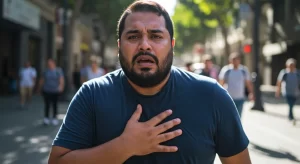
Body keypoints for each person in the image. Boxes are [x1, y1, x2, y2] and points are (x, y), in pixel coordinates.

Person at [48, 1, 251, 164]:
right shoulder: (91, 94)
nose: (144, 45)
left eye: (156, 36)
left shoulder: (212, 96)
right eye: (133, 36)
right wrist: (124, 147)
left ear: (172, 44)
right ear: (119, 46)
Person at [219, 52, 254, 117]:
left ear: (239, 60)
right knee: (229, 116)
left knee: (238, 116)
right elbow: (221, 83)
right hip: (229, 98)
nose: (235, 61)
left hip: (240, 98)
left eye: (236, 59)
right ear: (230, 60)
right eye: (233, 59)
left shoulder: (244, 70)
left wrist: (251, 93)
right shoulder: (226, 70)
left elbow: (248, 83)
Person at [38, 59, 64, 126]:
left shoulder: (58, 71)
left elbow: (61, 79)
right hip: (46, 90)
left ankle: (54, 118)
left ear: (54, 63)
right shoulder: (46, 71)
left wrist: (61, 87)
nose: (49, 65)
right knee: (47, 105)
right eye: (48, 63)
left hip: (55, 91)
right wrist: (39, 88)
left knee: (54, 105)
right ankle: (46, 118)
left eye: (50, 63)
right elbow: (42, 80)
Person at [276, 58, 300, 125]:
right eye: (290, 65)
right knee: (290, 104)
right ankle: (291, 117)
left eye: (292, 65)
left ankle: (290, 115)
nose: (291, 66)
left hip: (295, 93)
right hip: (287, 92)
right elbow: (279, 82)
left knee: (292, 104)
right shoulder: (284, 73)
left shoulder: (297, 73)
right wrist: (278, 91)